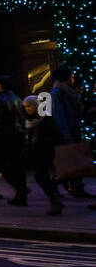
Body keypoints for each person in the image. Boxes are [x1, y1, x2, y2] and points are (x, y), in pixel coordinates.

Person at [49, 67, 90, 199]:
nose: (73, 79)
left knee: (74, 161)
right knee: (69, 161)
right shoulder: (57, 93)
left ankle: (75, 187)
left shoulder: (68, 92)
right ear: (65, 78)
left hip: (74, 130)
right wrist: (66, 134)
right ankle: (56, 186)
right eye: (71, 76)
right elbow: (58, 115)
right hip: (68, 133)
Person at [0, 75, 28, 204]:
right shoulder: (17, 98)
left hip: (5, 137)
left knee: (3, 165)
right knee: (18, 165)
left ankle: (20, 189)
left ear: (0, 86)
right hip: (18, 135)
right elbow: (22, 118)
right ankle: (21, 192)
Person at [23, 95, 64, 215]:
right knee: (43, 177)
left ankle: (55, 201)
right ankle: (55, 200)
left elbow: (56, 136)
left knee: (41, 177)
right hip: (36, 152)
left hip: (46, 151)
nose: (27, 109)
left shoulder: (46, 119)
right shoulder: (29, 120)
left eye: (29, 106)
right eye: (25, 106)